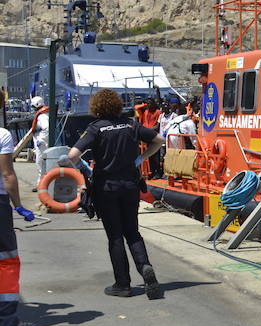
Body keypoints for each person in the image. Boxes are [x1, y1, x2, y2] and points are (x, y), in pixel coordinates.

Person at [64, 90, 164, 299]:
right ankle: (145, 266)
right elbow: (159, 140)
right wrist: (140, 159)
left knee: (115, 236)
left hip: (106, 187)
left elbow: (72, 155)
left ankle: (123, 284)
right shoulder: (130, 124)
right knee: (132, 232)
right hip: (130, 185)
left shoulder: (96, 128)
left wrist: (85, 169)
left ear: (96, 107)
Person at [0, 126, 37, 326]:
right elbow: (7, 175)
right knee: (7, 261)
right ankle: (7, 321)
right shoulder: (2, 135)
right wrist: (19, 206)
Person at [30, 96, 50, 192]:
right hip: (41, 143)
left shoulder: (42, 116)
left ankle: (41, 185)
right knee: (42, 164)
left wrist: (41, 140)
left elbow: (47, 128)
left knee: (40, 164)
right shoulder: (43, 115)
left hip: (41, 144)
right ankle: (42, 184)